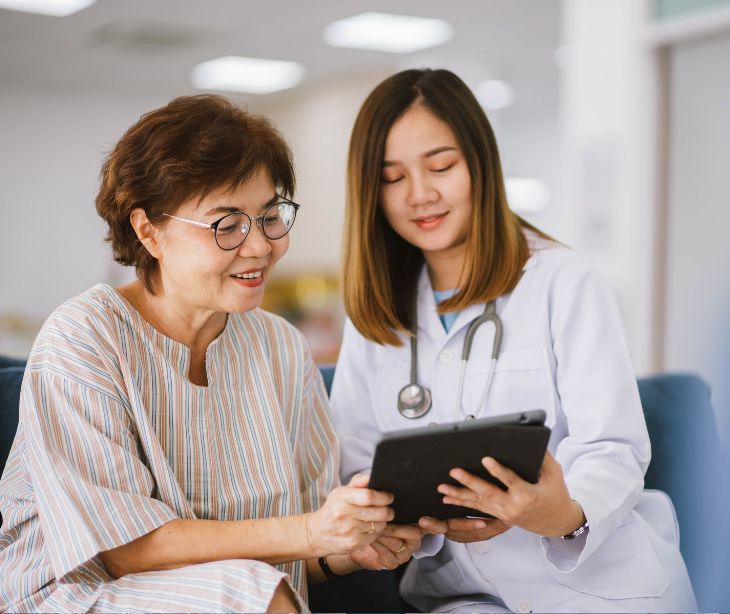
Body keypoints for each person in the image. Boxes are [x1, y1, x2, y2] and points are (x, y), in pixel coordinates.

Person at [0, 94, 422, 613]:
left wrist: (347, 549)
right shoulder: (85, 335)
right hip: (78, 593)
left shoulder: (279, 346)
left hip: (245, 592)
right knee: (245, 593)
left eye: (269, 216)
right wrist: (312, 532)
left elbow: (294, 550)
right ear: (148, 230)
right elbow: (122, 550)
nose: (260, 246)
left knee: (252, 589)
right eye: (226, 224)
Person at [329, 68, 697, 613]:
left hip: (602, 587)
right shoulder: (375, 315)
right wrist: (399, 521)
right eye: (392, 177)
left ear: (480, 163)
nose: (420, 194)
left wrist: (560, 513)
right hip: (463, 596)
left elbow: (612, 448)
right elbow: (359, 466)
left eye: (441, 166)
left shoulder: (563, 280)